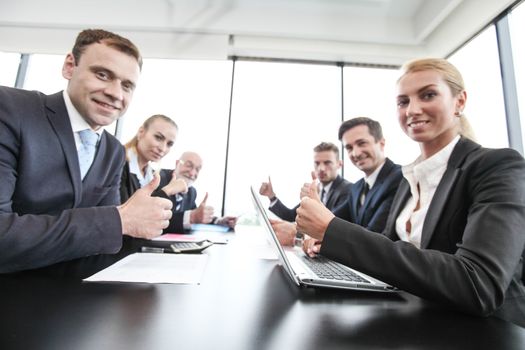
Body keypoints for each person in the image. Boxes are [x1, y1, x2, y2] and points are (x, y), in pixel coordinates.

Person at [296, 58, 525, 326]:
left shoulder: (497, 166)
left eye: (428, 95)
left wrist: (333, 230)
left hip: (488, 332)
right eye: (403, 102)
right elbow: (388, 248)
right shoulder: (409, 179)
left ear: (460, 101)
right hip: (418, 318)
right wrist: (331, 245)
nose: (413, 110)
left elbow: (479, 284)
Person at [0, 29, 173, 274]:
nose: (115, 93)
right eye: (102, 75)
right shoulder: (11, 109)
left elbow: (103, 245)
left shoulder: (112, 151)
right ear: (70, 66)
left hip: (72, 295)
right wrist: (119, 219)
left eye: (127, 85)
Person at [274, 117, 403, 246]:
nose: (356, 153)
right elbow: (332, 222)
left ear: (381, 143)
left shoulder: (400, 179)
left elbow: (376, 235)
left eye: (362, 143)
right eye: (349, 147)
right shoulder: (357, 188)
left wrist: (298, 235)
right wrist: (311, 208)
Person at [259, 142, 352, 222]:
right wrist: (271, 196)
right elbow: (291, 216)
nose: (321, 168)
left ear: (339, 164)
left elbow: (333, 225)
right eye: (317, 163)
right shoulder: (316, 189)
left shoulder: (348, 190)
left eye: (327, 163)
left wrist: (314, 201)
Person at [156, 151, 238, 232]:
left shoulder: (192, 192)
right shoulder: (158, 178)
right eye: (188, 166)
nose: (192, 173)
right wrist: (192, 217)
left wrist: (219, 221)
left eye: (197, 169)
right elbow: (155, 217)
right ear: (177, 163)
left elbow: (196, 214)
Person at [120, 114, 186, 202]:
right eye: (158, 138)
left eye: (169, 144)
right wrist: (168, 190)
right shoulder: (118, 163)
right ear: (141, 132)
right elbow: (124, 211)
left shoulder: (151, 174)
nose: (162, 148)